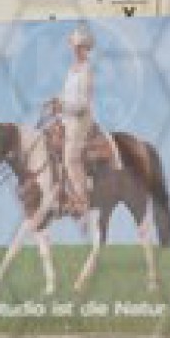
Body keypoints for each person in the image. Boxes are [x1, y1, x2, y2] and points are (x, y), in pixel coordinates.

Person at [47, 24, 115, 216]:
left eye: (80, 47)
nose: (76, 50)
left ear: (86, 49)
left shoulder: (87, 70)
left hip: (80, 119)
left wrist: (63, 107)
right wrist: (56, 101)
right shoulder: (71, 70)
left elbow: (83, 103)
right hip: (67, 116)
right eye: (75, 46)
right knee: (48, 145)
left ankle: (82, 201)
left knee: (71, 158)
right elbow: (66, 94)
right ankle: (59, 194)